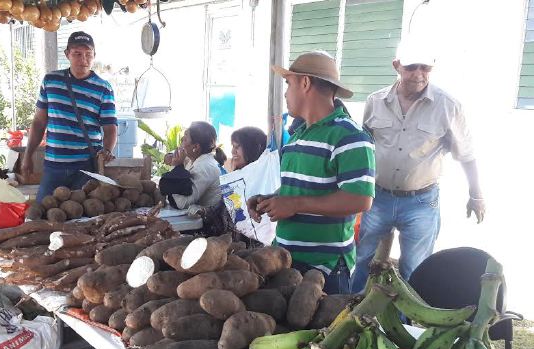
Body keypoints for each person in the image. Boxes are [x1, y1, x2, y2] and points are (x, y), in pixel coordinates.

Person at [350, 41, 485, 293]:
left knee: (415, 268)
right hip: (377, 197)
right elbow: (363, 148)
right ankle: (350, 313)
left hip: (421, 202)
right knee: (363, 259)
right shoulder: (375, 101)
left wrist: (476, 195)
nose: (418, 74)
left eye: (425, 68)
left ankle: (404, 325)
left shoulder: (448, 106)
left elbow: (466, 155)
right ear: (397, 66)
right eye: (412, 67)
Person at [247, 51, 375, 294]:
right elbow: (301, 187)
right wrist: (271, 200)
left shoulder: (350, 137)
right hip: (284, 259)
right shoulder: (297, 136)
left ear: (305, 83)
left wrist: (295, 204)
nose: (285, 93)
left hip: (325, 270)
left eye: (289, 83)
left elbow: (360, 199)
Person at [20, 31, 117, 202]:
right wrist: (28, 156)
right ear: (67, 55)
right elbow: (38, 122)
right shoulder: (50, 81)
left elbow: (110, 128)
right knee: (44, 211)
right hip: (53, 166)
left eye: (88, 54)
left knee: (83, 218)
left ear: (94, 55)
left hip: (86, 167)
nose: (83, 59)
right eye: (77, 54)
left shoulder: (104, 88)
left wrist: (107, 150)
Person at [160, 121, 222, 210]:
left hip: (207, 222)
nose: (181, 144)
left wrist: (177, 166)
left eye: (185, 140)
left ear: (196, 147)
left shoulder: (204, 167)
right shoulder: (194, 160)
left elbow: (181, 203)